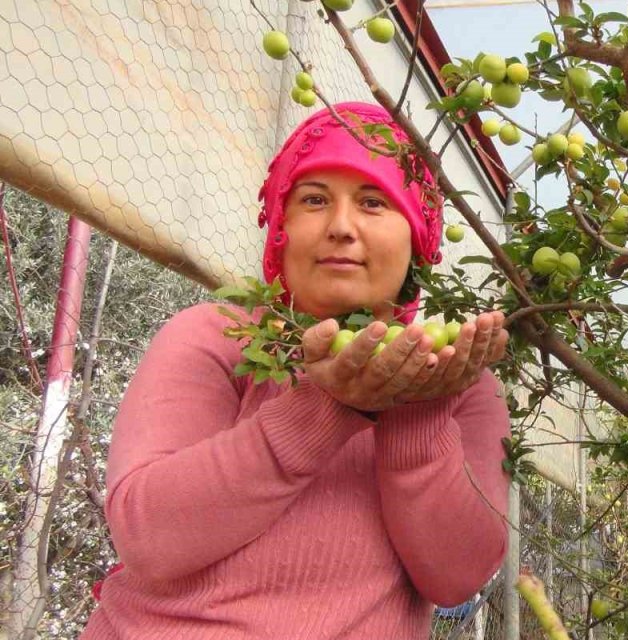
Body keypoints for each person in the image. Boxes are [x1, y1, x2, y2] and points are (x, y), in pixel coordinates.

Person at [79, 102, 512, 639]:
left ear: (418, 237)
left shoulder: (458, 381)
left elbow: (456, 576)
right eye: (314, 200)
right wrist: (326, 406)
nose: (341, 227)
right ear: (281, 225)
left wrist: (417, 411)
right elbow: (148, 536)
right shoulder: (220, 337)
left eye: (373, 202)